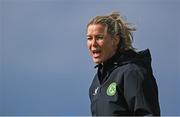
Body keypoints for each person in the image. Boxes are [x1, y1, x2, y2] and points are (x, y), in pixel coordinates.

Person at [86, 11, 160, 116]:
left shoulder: (132, 72)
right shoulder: (96, 82)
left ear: (115, 40)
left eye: (99, 37)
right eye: (89, 38)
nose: (93, 43)